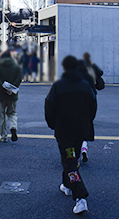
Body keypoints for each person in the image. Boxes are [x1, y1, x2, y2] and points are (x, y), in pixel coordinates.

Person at [45, 55, 97, 215]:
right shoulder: (85, 85)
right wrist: (86, 123)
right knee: (72, 158)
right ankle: (66, 185)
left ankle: (80, 197)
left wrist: (54, 125)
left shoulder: (58, 86)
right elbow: (93, 108)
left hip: (64, 131)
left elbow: (49, 107)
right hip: (80, 131)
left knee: (69, 161)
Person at [0, 50, 22, 142]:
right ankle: (13, 126)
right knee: (12, 113)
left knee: (1, 115)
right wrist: (11, 90)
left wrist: (4, 89)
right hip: (12, 95)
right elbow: (19, 79)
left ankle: (3, 136)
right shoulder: (17, 67)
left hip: (1, 95)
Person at [80, 52, 105, 162]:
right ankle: (84, 148)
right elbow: (101, 73)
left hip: (78, 96)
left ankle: (76, 150)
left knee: (76, 123)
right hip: (91, 96)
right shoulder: (92, 67)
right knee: (88, 122)